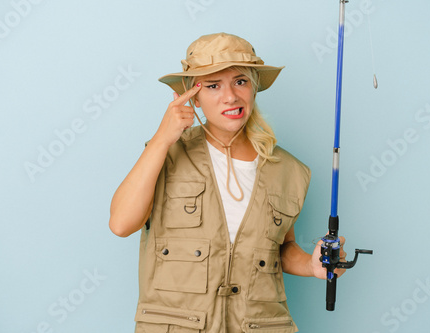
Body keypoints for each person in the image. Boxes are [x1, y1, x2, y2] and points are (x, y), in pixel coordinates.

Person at [109, 32, 346, 333]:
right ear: (192, 95)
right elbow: (121, 223)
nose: (231, 96)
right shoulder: (166, 154)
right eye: (212, 85)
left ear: (254, 86)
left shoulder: (289, 170)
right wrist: (162, 139)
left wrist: (313, 266)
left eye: (240, 81)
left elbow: (281, 249)